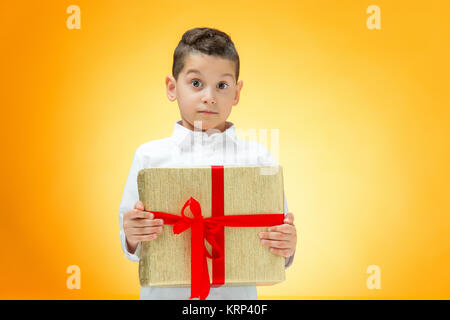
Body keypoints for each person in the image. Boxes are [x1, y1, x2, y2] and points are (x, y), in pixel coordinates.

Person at [119, 27, 297, 300]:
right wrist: (132, 235)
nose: (209, 97)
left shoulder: (259, 159)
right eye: (196, 83)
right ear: (171, 87)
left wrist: (287, 244)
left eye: (222, 86)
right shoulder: (149, 157)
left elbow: (276, 237)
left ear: (236, 93)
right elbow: (132, 245)